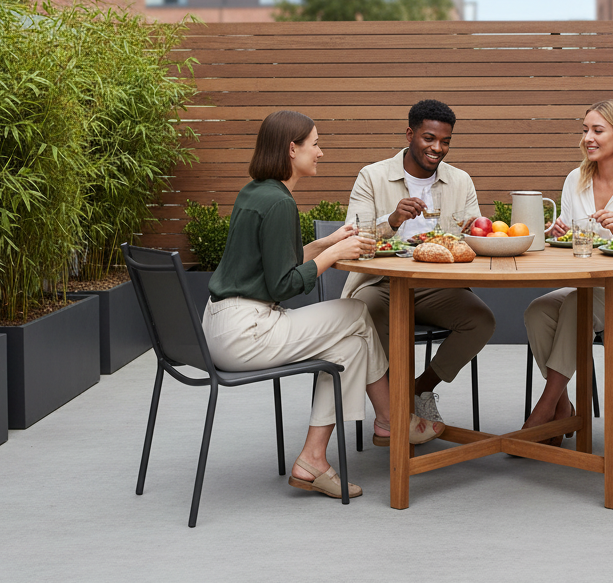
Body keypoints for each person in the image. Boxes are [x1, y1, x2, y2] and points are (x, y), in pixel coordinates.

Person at [202, 110, 443, 501]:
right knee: (357, 313)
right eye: (315, 144)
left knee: (346, 347)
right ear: (291, 149)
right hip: (248, 332)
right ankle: (393, 420)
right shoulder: (279, 203)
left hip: (220, 326)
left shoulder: (256, 192)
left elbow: (279, 260)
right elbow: (285, 283)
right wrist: (336, 254)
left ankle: (314, 458)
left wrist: (328, 244)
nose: (321, 152)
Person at [342, 99, 496, 426]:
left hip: (438, 287)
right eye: (429, 139)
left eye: (445, 141)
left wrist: (473, 234)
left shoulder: (460, 181)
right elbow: (353, 236)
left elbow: (473, 240)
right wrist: (393, 219)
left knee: (481, 320)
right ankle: (395, 413)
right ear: (410, 134)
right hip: (381, 284)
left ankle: (418, 391)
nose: (437, 148)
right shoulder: (372, 176)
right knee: (369, 312)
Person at [522, 99, 613, 442]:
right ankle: (563, 406)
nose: (588, 137)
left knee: (576, 307)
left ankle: (544, 408)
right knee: (538, 311)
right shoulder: (575, 180)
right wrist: (562, 234)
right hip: (590, 288)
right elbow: (576, 246)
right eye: (585, 130)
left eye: (597, 130)